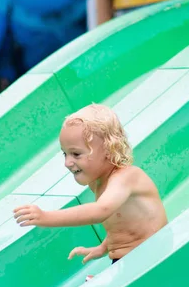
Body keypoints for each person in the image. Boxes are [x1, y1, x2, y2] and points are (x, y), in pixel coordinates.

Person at [13, 103, 167, 265]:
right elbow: (124, 221)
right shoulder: (98, 182)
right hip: (129, 259)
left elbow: (100, 211)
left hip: (154, 256)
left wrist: (46, 217)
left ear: (108, 149)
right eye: (65, 154)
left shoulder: (127, 177)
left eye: (76, 154)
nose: (67, 162)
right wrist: (102, 248)